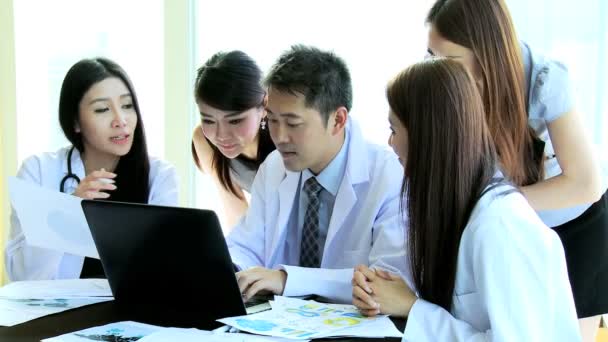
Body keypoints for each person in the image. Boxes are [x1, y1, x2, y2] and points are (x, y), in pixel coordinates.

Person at [352, 58, 580, 341]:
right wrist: (396, 295)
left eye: (394, 130)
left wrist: (413, 308)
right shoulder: (459, 207)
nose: (390, 143)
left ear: (427, 134)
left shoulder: (500, 225)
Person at [424, 0, 607, 339]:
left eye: (446, 60)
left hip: (575, 224)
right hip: (511, 226)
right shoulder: (446, 80)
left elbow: (584, 184)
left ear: (484, 53)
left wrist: (496, 203)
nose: (436, 68)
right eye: (430, 55)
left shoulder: (544, 79)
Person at [227, 45, 407, 304]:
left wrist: (288, 280)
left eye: (293, 123)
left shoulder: (388, 175)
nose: (279, 137)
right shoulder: (275, 166)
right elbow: (246, 245)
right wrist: (231, 269)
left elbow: (387, 281)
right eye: (272, 121)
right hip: (283, 323)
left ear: (338, 120)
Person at [5, 58, 179, 281]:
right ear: (75, 122)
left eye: (127, 106)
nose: (121, 120)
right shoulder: (37, 171)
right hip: (57, 313)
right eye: (102, 109)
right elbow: (23, 276)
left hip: (133, 311)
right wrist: (67, 210)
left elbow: (164, 268)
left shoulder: (160, 176)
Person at [191, 51, 275, 229]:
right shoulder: (204, 140)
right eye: (209, 120)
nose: (222, 135)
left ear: (265, 106)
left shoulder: (288, 140)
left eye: (235, 120)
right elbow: (238, 219)